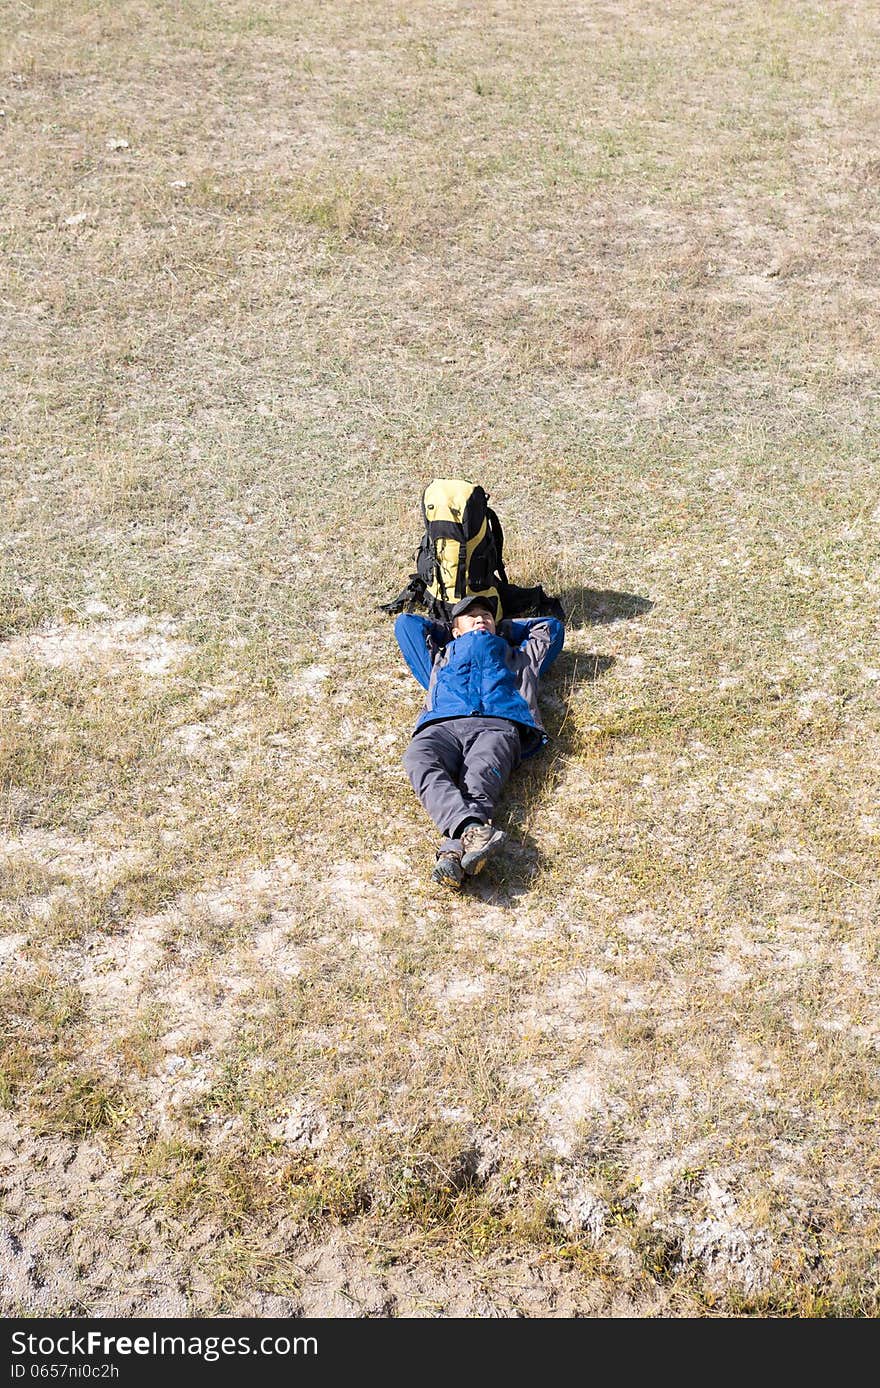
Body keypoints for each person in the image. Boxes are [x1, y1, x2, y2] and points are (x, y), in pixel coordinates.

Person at [395, 595, 565, 889]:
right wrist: (449, 632)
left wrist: (502, 629)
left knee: (478, 782)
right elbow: (406, 624)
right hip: (442, 725)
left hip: (497, 726)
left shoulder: (519, 656)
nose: (480, 618)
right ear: (454, 629)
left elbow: (550, 628)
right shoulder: (440, 657)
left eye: (486, 615)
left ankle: (451, 852)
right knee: (418, 759)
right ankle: (469, 831)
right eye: (470, 615)